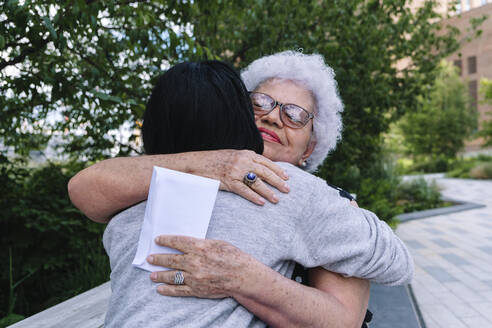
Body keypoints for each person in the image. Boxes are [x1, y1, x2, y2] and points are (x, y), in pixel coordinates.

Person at [69, 52, 413, 327]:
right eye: (261, 102)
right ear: (236, 112)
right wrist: (211, 163)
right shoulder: (156, 182)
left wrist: (242, 277)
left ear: (310, 148)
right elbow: (84, 188)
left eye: (294, 114)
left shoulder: (313, 199)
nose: (274, 117)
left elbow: (347, 318)